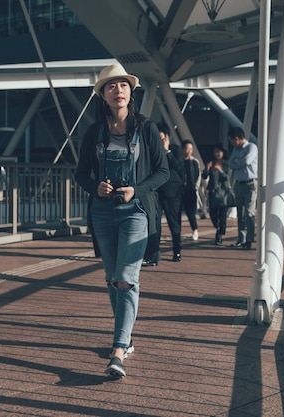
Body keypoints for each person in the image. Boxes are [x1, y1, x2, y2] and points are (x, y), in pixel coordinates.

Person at [74, 63, 169, 378]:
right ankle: (126, 337)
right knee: (113, 279)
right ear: (103, 94)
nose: (118, 90)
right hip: (102, 213)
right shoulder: (94, 132)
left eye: (123, 85)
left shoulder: (147, 129)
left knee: (127, 277)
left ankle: (117, 349)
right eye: (111, 86)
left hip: (135, 212)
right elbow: (80, 174)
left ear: (131, 92)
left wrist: (136, 190)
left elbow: (163, 172)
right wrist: (95, 186)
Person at [146, 123, 184, 263]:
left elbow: (178, 167)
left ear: (167, 137)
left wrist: (166, 150)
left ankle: (177, 251)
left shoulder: (176, 149)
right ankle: (154, 256)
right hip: (155, 191)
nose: (159, 141)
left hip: (172, 192)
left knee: (174, 223)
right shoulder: (152, 150)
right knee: (154, 224)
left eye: (161, 138)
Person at [227, 126, 257, 249]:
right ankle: (241, 238)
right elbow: (230, 163)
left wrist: (237, 163)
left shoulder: (252, 147)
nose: (231, 143)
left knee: (249, 213)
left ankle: (249, 239)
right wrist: (239, 162)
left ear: (237, 139)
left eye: (232, 141)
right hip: (239, 184)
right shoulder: (236, 150)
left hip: (250, 184)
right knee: (241, 213)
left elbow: (247, 161)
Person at [202, 145, 232, 245]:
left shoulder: (226, 164)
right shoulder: (211, 163)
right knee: (213, 214)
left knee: (222, 215)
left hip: (223, 193)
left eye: (219, 152)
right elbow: (204, 176)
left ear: (223, 153)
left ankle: (219, 236)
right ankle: (218, 227)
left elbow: (228, 178)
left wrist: (220, 171)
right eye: (215, 152)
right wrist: (207, 168)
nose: (217, 154)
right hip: (213, 193)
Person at [181, 140, 201, 241]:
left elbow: (198, 176)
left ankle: (195, 230)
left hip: (191, 190)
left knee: (190, 212)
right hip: (180, 191)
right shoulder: (179, 161)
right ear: (183, 149)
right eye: (187, 148)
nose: (189, 151)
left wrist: (196, 187)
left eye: (191, 149)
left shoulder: (194, 162)